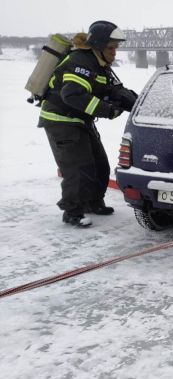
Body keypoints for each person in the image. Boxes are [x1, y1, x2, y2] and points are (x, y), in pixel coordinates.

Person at [38, 20, 138, 227]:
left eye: (116, 48)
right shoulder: (80, 62)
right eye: (111, 48)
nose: (115, 53)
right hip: (61, 120)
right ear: (99, 46)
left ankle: (93, 202)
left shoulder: (100, 66)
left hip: (80, 120)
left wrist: (137, 104)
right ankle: (72, 211)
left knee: (100, 165)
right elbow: (72, 94)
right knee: (79, 168)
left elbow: (113, 90)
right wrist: (107, 110)